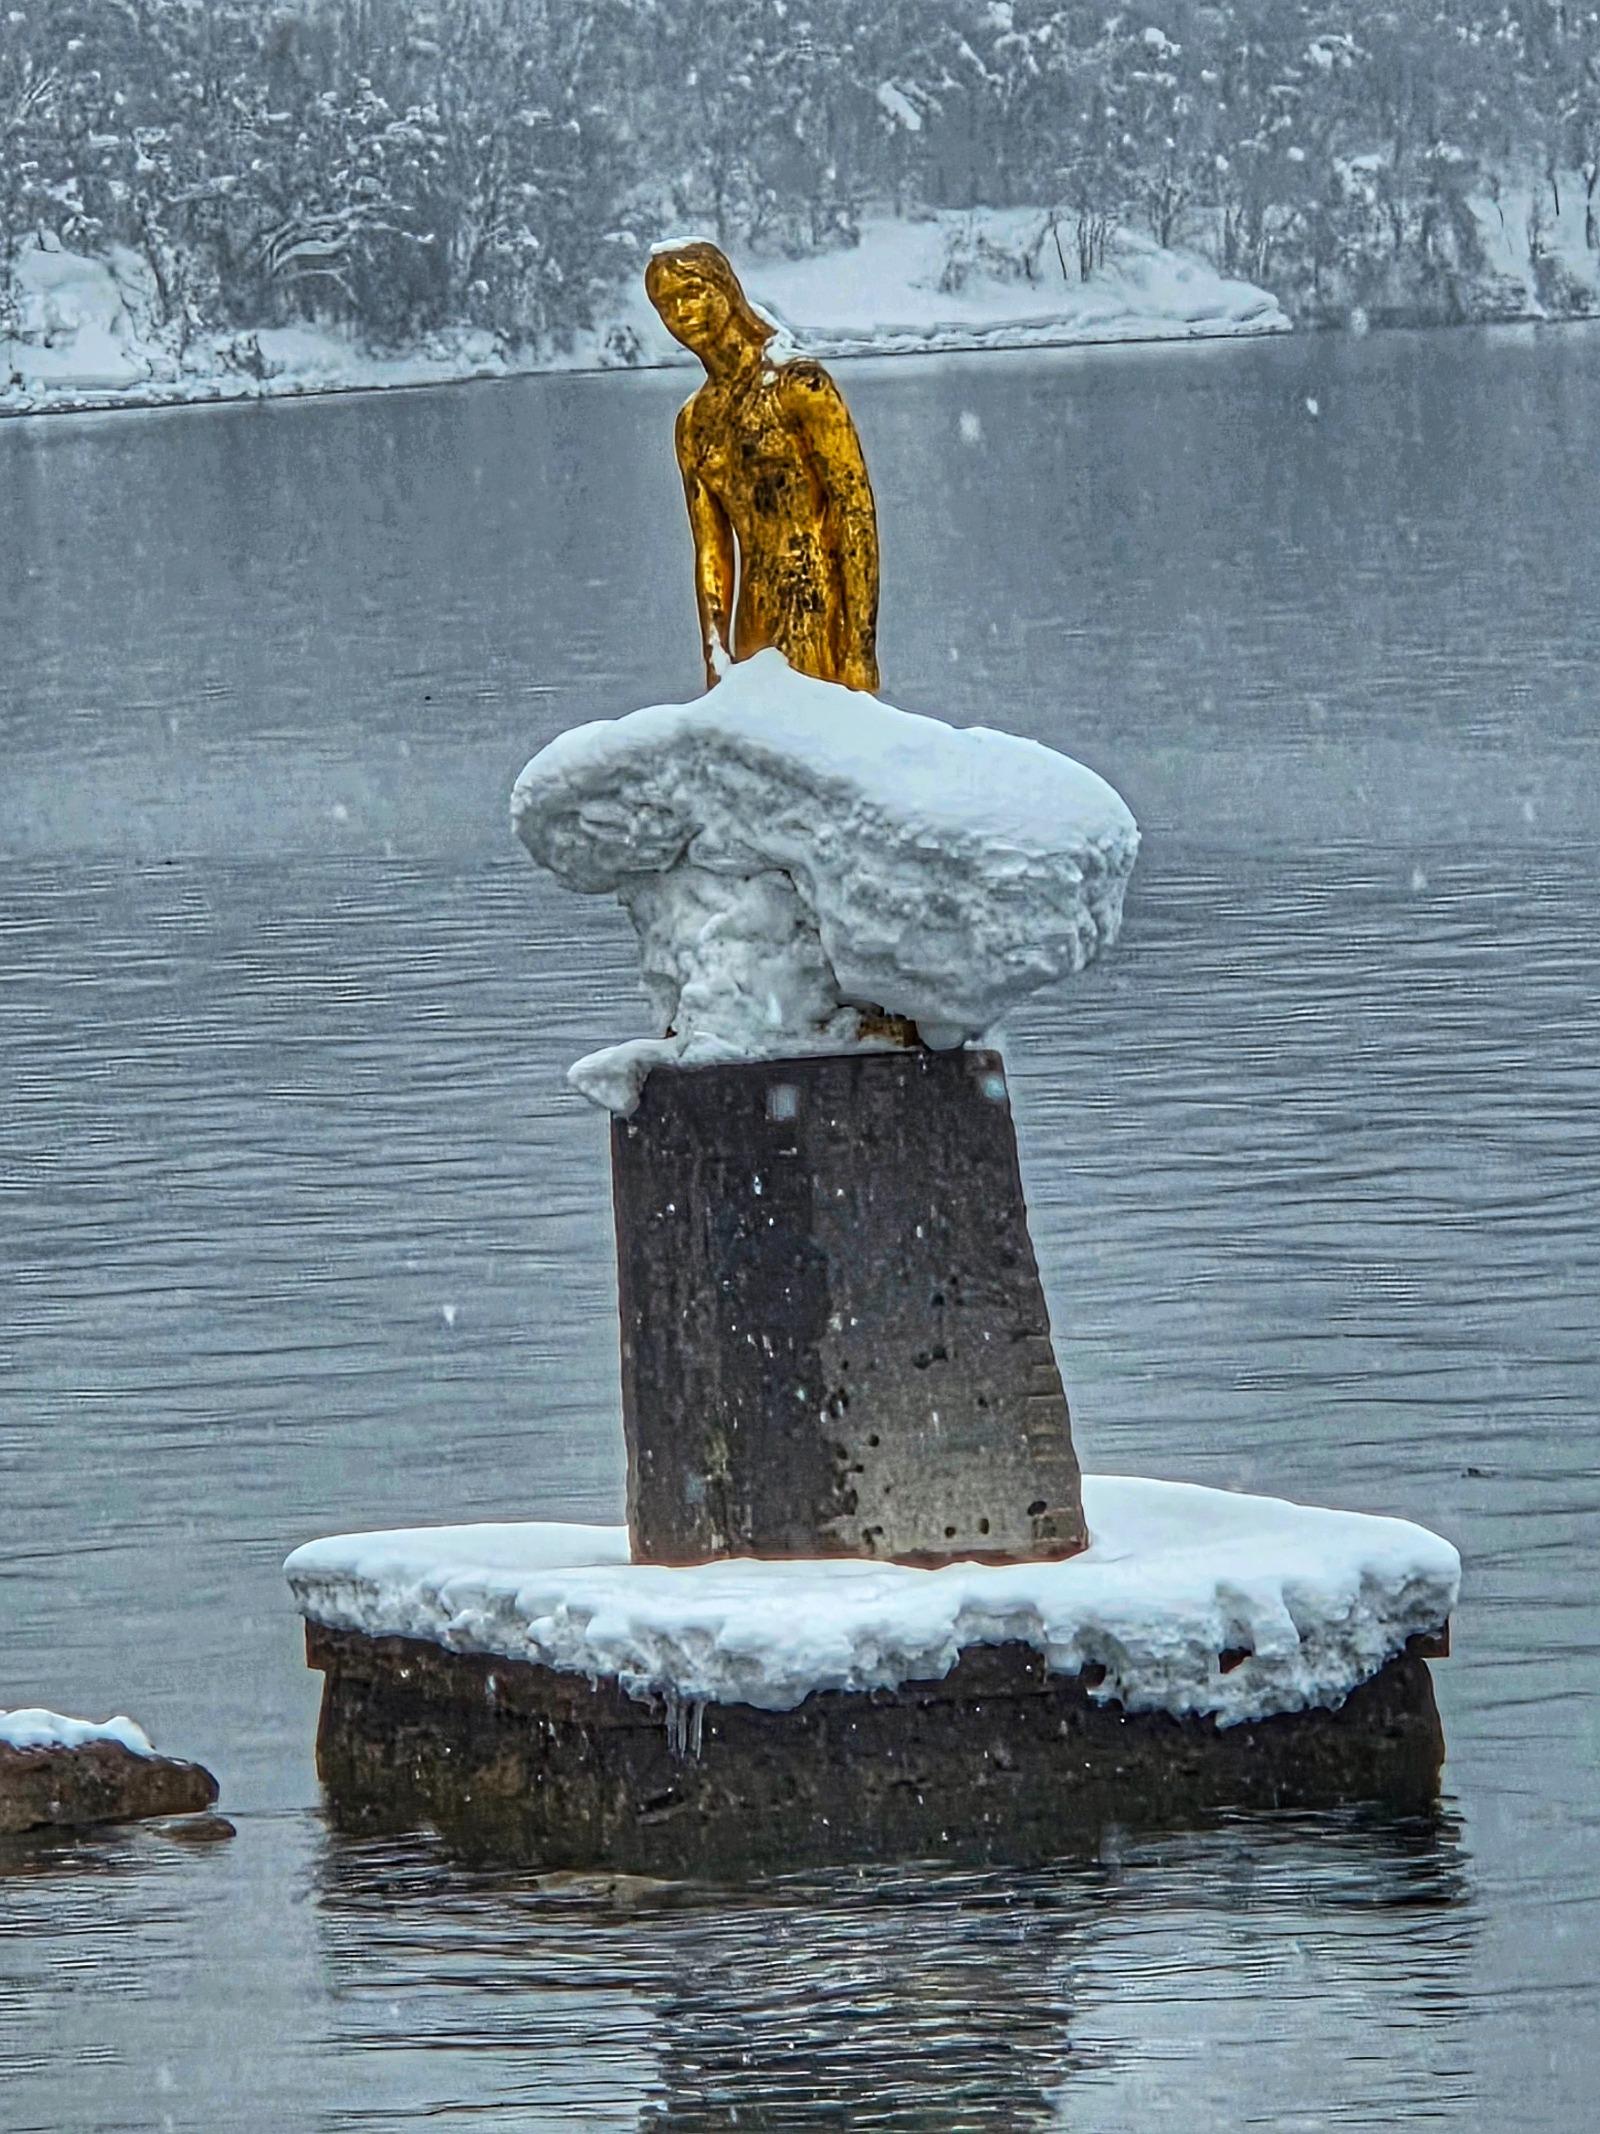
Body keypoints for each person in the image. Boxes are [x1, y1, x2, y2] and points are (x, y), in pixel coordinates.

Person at [645, 239, 880, 693]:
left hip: (818, 601)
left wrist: (859, 645)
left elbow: (854, 512)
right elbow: (712, 551)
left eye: (692, 292)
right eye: (666, 304)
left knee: (822, 739)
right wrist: (716, 658)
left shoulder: (797, 385)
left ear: (726, 289)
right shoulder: (694, 423)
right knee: (765, 743)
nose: (681, 312)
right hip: (754, 617)